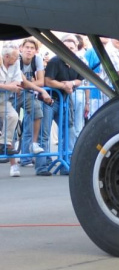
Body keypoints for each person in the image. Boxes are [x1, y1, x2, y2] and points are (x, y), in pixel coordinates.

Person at [43, 37, 84, 173]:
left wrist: (71, 84)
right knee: (45, 133)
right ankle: (42, 166)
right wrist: (63, 85)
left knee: (69, 130)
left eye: (71, 48)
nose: (68, 50)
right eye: (65, 47)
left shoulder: (77, 62)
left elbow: (80, 80)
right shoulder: (54, 61)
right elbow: (48, 81)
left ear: (75, 49)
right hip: (50, 100)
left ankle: (67, 164)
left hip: (66, 100)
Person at [18, 38, 53, 174]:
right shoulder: (17, 59)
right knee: (12, 119)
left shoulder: (37, 59)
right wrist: (33, 84)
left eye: (32, 48)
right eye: (27, 47)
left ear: (36, 50)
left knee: (36, 115)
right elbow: (23, 82)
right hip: (12, 93)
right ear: (21, 48)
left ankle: (32, 147)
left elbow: (41, 81)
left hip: (28, 95)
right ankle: (21, 157)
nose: (29, 50)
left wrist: (30, 83)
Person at [0, 43, 23, 176]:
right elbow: (12, 86)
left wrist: (4, 86)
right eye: (15, 56)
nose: (17, 58)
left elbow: (18, 82)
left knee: (13, 116)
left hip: (3, 101)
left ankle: (4, 143)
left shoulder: (16, 63)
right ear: (6, 56)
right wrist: (9, 87)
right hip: (5, 97)